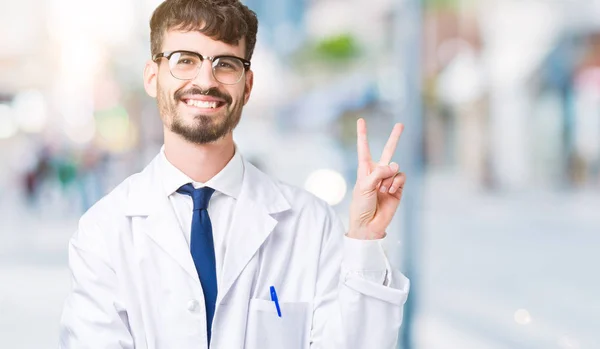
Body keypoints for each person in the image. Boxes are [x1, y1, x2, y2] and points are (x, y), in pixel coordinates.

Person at [58, 0, 409, 348]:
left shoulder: (312, 224)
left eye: (225, 64)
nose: (205, 81)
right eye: (185, 61)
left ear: (248, 84)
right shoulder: (104, 230)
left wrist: (364, 239)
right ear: (152, 77)